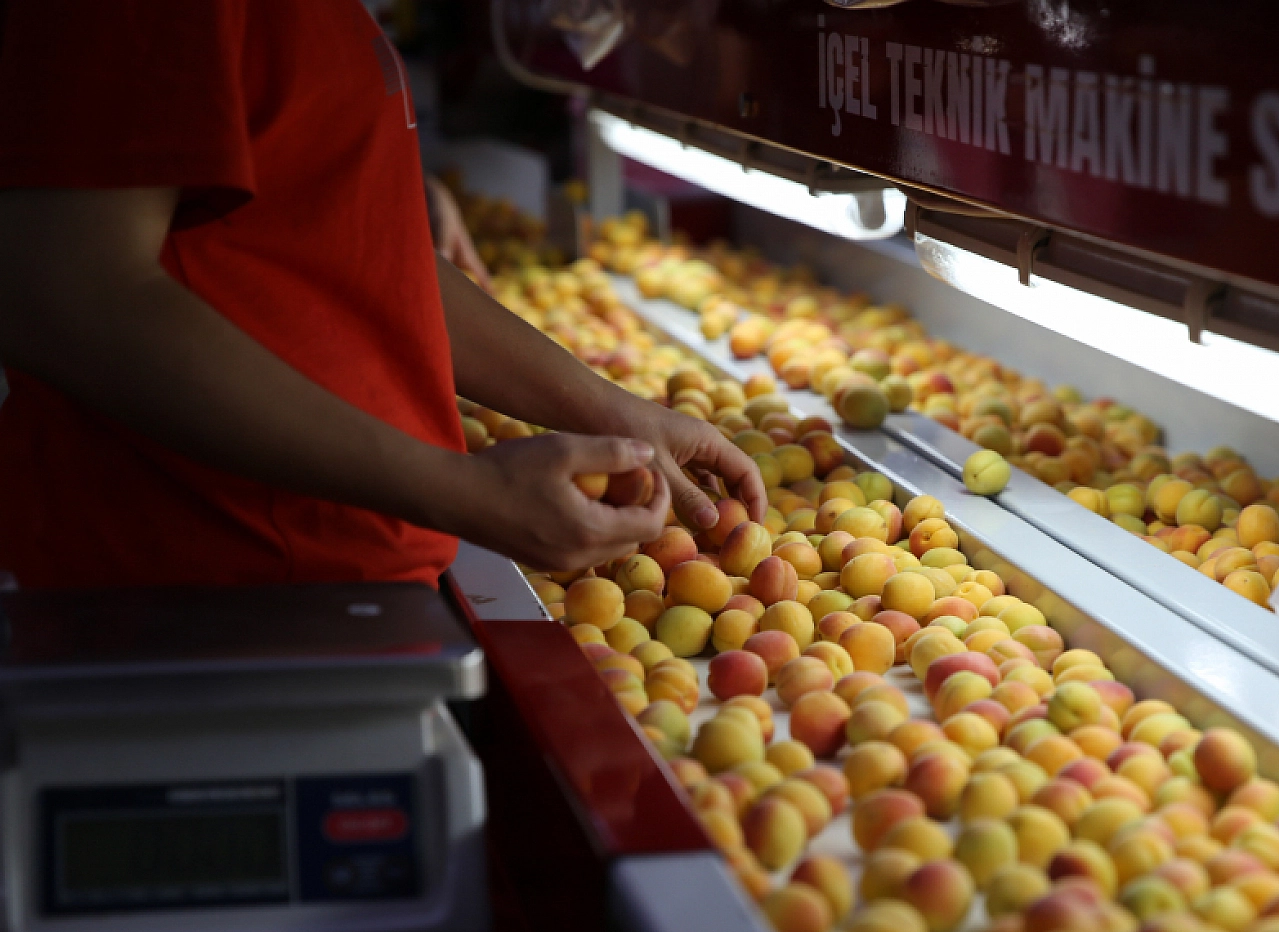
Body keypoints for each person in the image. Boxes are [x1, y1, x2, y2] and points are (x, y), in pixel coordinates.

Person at [0, 1, 763, 591]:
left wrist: (608, 410)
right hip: (207, 604)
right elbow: (67, 289)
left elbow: (355, 255)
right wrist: (460, 489)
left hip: (314, 591)